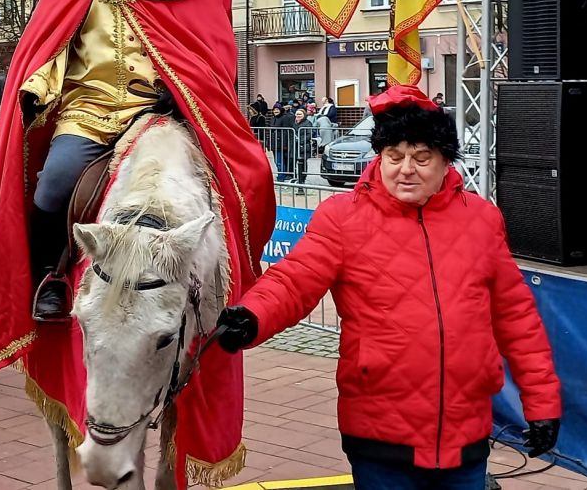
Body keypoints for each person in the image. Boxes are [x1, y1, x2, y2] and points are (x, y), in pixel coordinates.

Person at [0, 0, 275, 480]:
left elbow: (214, 55)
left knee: (235, 180)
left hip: (162, 112)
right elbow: (51, 49)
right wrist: (35, 92)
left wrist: (188, 89)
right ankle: (50, 283)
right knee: (54, 189)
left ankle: (219, 291)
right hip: (88, 113)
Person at [216, 85, 562, 487]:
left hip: (465, 430)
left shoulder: (482, 221)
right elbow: (295, 280)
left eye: (421, 157)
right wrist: (253, 315)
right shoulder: (342, 217)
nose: (406, 169)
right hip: (378, 429)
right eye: (394, 157)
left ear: (445, 162)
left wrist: (542, 404)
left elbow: (517, 319)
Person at [292, 107, 313, 188]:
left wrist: (300, 140)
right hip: (295, 146)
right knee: (295, 162)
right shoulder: (294, 123)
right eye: (297, 114)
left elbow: (309, 134)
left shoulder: (308, 123)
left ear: (304, 115)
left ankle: (302, 179)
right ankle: (297, 177)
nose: (298, 115)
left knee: (303, 163)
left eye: (300, 114)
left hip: (304, 146)